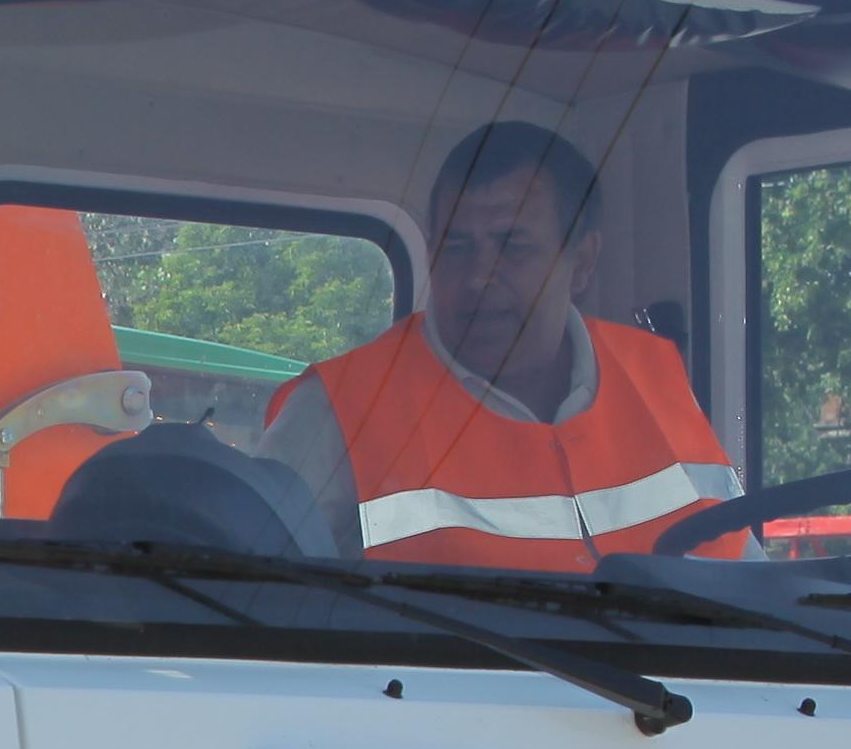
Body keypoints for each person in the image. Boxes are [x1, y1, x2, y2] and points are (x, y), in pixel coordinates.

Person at [265, 120, 739, 570]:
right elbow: (245, 595)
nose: (477, 278)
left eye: (512, 247)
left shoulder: (657, 377)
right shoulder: (341, 406)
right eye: (456, 247)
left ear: (582, 263)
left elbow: (741, 570)